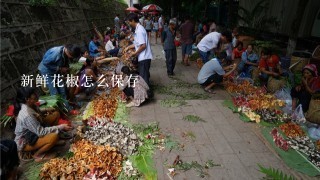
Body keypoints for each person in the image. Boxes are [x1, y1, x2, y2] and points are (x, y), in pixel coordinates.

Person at [14, 87, 72, 162]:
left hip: (34, 132)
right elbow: (41, 132)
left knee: (56, 114)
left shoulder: (29, 104)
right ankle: (37, 155)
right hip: (27, 140)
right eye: (33, 95)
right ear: (27, 99)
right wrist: (60, 127)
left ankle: (52, 142)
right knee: (53, 137)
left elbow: (37, 112)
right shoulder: (26, 115)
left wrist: (46, 109)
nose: (36, 95)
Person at [124, 13, 153, 86]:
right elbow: (138, 43)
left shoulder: (139, 30)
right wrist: (128, 47)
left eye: (129, 22)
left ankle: (147, 94)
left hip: (144, 57)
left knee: (143, 79)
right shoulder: (138, 29)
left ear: (133, 20)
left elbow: (143, 46)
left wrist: (135, 53)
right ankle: (147, 91)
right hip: (143, 57)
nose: (129, 24)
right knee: (145, 75)